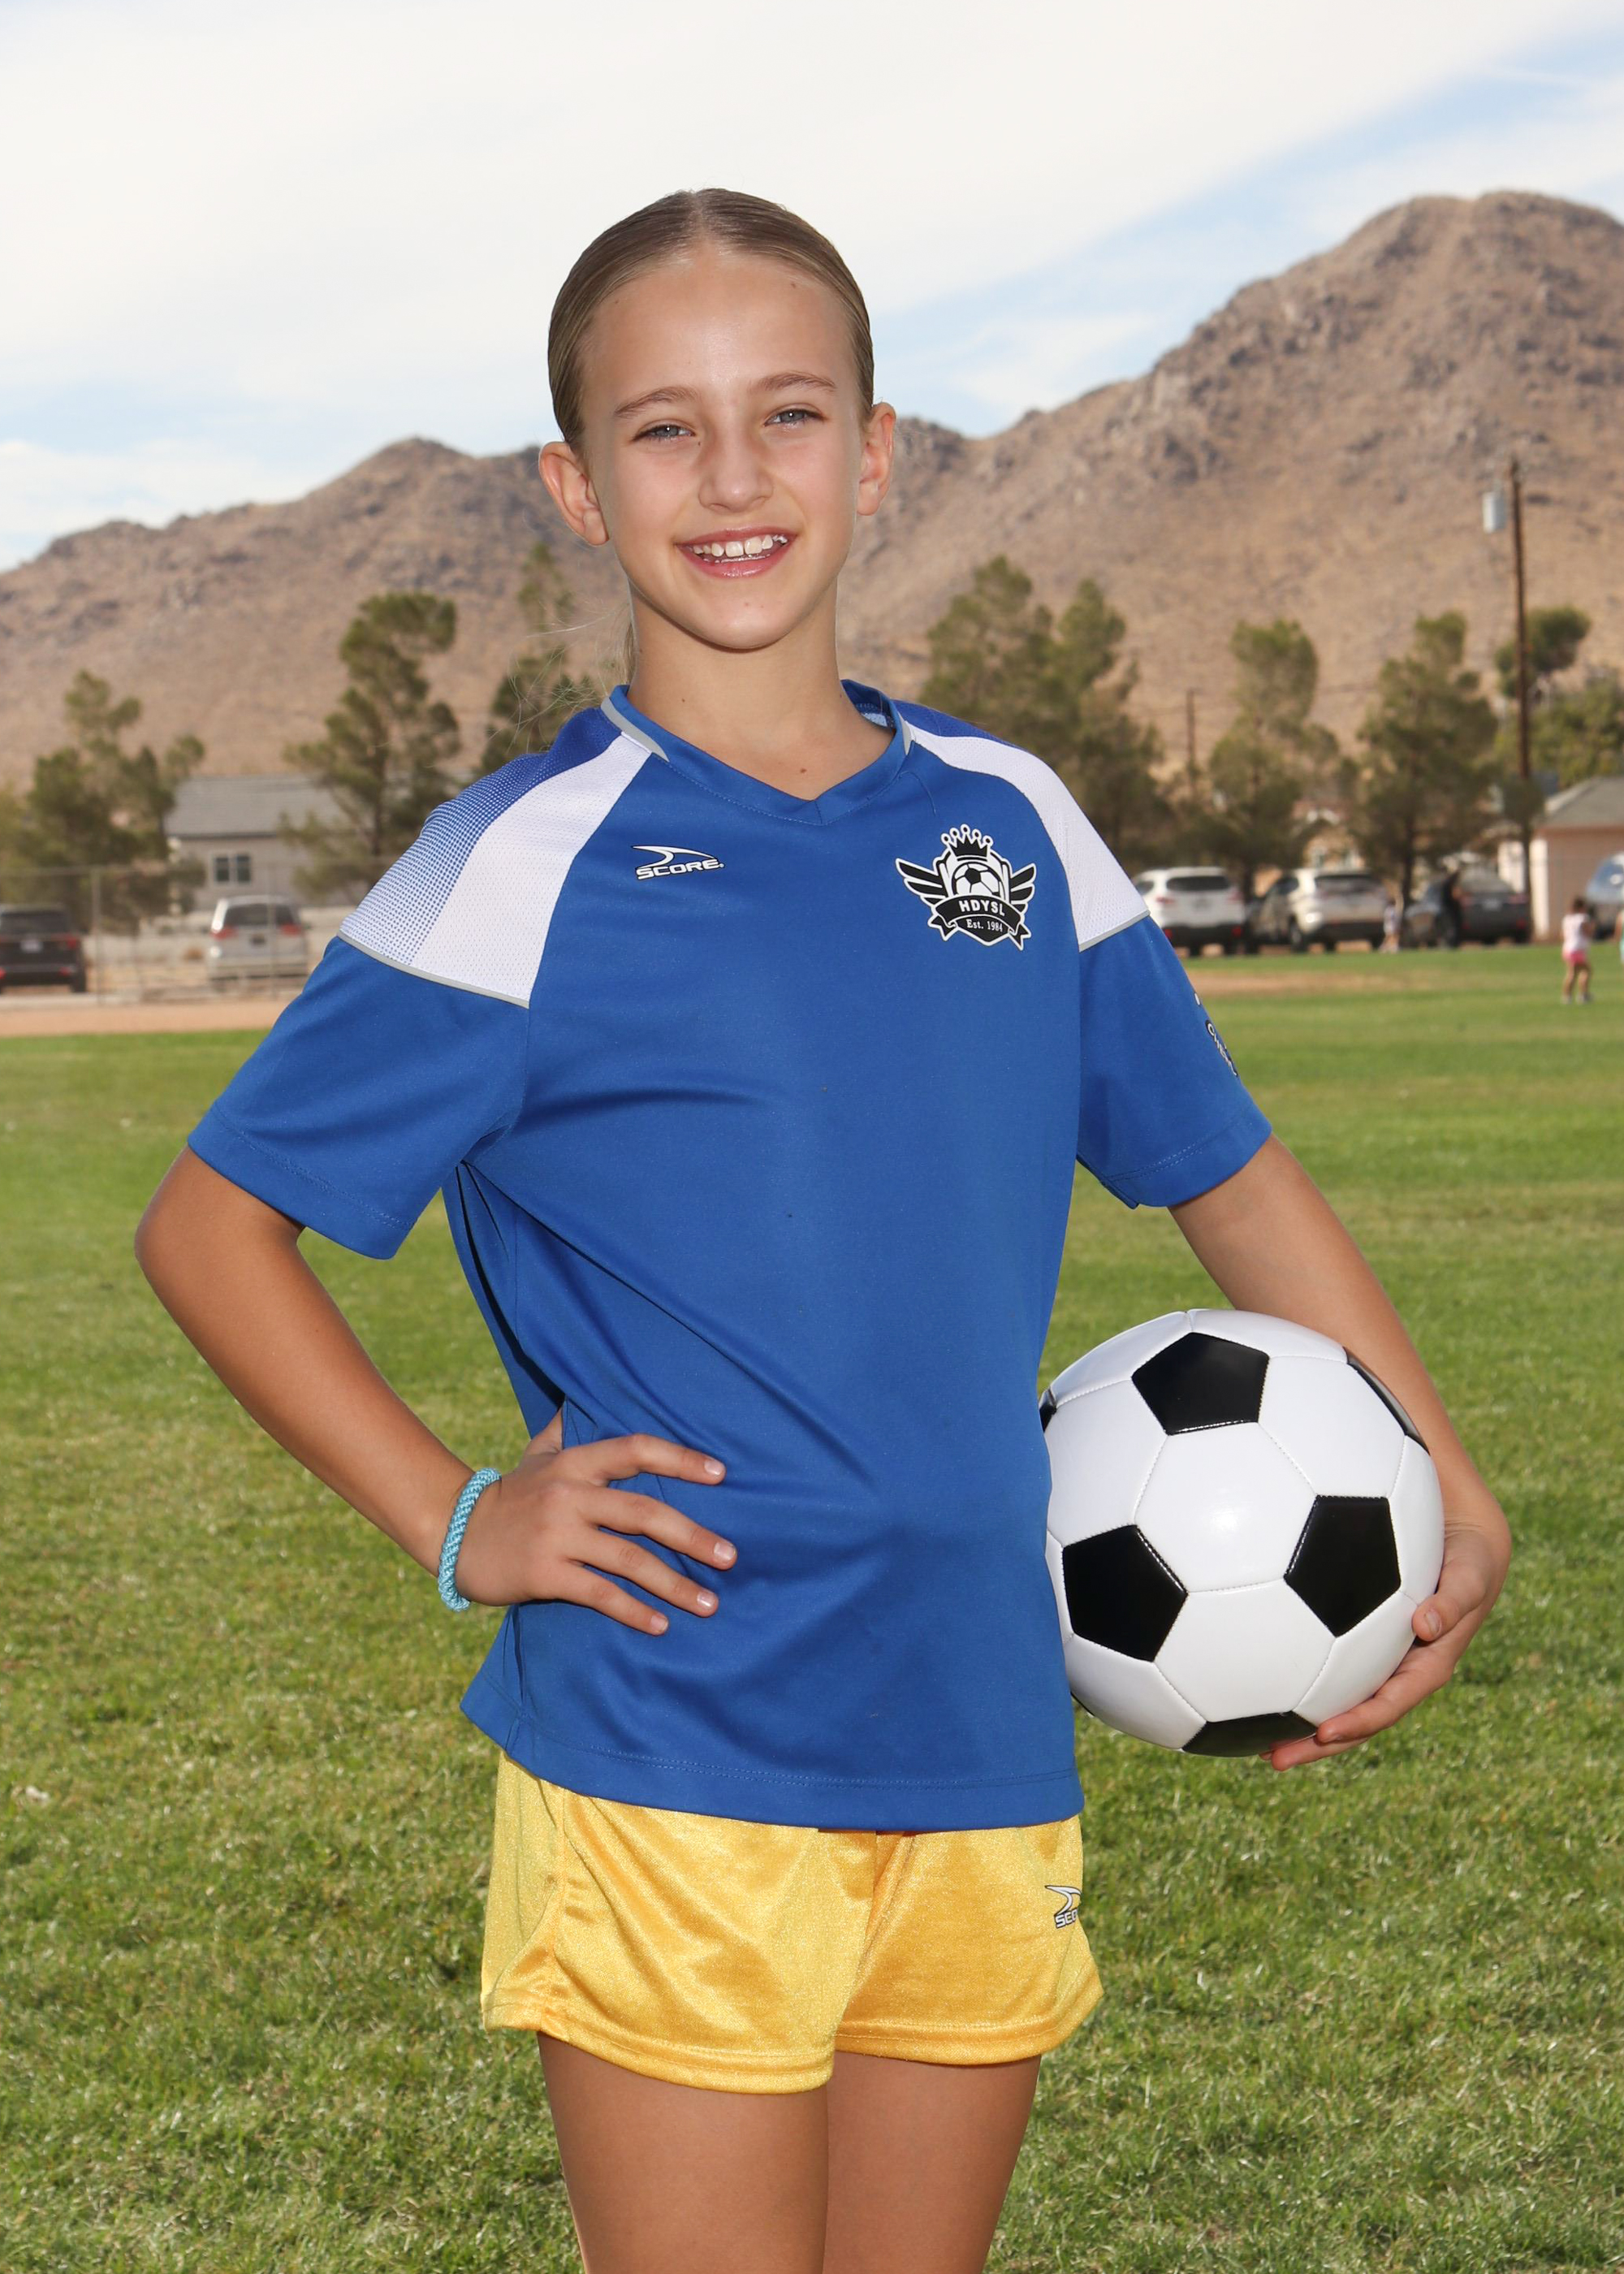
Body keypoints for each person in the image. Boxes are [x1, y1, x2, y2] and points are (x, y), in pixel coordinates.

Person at [132, 189, 1512, 2274]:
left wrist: (1441, 1471)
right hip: (677, 1739)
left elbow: (1216, 1164)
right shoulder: (520, 863)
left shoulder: (1009, 823)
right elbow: (211, 1227)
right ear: (575, 487)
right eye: (662, 428)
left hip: (979, 1734)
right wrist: (457, 1514)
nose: (732, 475)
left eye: (786, 414)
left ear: (873, 453)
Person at [1561, 895, 1593, 1003]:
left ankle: (1567, 996)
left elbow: (1563, 935)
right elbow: (1587, 932)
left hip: (1568, 948)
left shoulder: (1567, 918)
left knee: (1572, 972)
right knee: (1586, 971)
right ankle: (1583, 994)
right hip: (1578, 948)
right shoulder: (1582, 918)